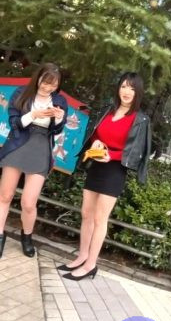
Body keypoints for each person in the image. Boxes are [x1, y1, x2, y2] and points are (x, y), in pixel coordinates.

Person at [58, 72, 151, 281]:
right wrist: (97, 143)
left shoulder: (140, 119)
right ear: (118, 88)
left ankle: (91, 264)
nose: (127, 92)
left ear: (138, 92)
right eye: (124, 86)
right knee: (86, 214)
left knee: (100, 219)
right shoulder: (108, 110)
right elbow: (95, 135)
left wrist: (112, 156)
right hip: (97, 166)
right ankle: (82, 256)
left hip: (115, 171)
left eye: (132, 88)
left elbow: (136, 152)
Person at [0, 63, 67, 259]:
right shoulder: (22, 93)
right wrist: (33, 115)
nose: (48, 88)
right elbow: (14, 123)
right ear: (38, 78)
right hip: (18, 144)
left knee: (29, 203)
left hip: (41, 147)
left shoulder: (59, 100)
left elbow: (57, 130)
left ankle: (27, 237)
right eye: (45, 82)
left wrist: (59, 118)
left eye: (53, 85)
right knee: (5, 196)